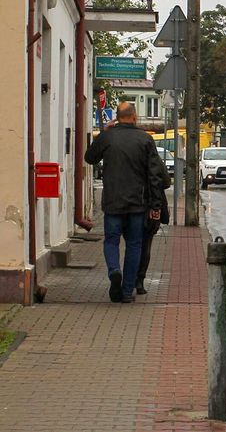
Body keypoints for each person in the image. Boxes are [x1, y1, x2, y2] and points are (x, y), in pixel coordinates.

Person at [83, 102, 165, 303]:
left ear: (117, 117)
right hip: (137, 203)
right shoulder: (145, 139)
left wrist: (103, 133)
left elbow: (90, 158)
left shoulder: (108, 137)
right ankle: (127, 291)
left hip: (113, 202)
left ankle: (114, 272)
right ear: (135, 116)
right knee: (134, 245)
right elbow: (155, 175)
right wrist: (156, 206)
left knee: (111, 240)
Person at [135, 163, 172, 295]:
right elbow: (167, 182)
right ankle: (139, 280)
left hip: (132, 205)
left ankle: (129, 279)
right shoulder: (154, 160)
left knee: (133, 243)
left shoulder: (131, 157)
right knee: (146, 245)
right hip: (151, 207)